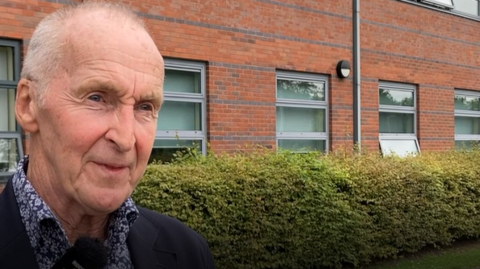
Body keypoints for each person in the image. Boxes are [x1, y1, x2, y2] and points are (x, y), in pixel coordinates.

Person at [0, 2, 216, 269]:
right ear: (28, 104)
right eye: (97, 98)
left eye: (145, 107)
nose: (126, 139)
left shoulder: (187, 251)